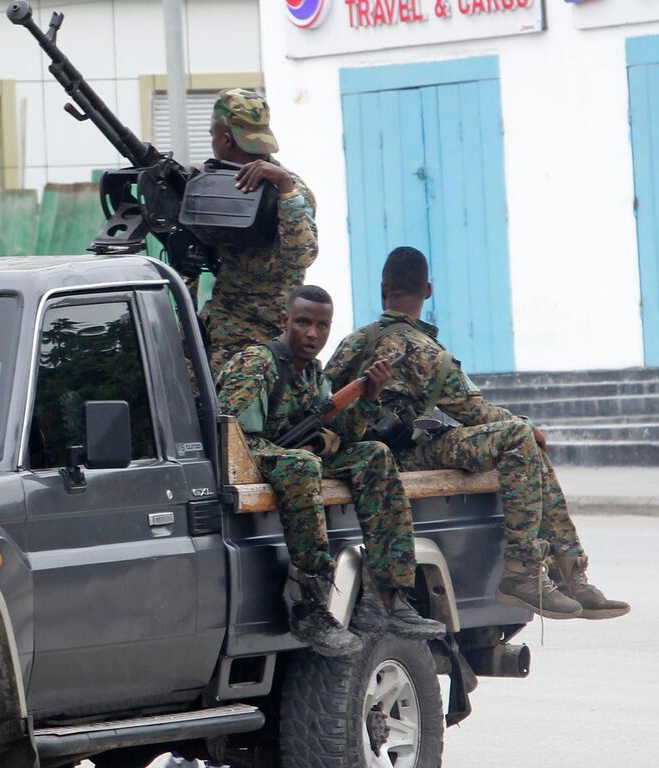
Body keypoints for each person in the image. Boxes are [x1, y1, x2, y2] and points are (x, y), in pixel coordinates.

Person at [324, 247, 629, 621]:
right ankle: (533, 572)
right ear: (429, 291)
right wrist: (526, 426)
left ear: (383, 288)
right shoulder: (423, 350)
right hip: (399, 458)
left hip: (356, 454)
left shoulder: (353, 341)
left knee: (520, 436)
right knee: (519, 437)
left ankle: (568, 573)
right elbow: (475, 412)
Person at [217, 285, 445, 657]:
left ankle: (389, 596)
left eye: (322, 326)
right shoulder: (257, 363)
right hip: (257, 459)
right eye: (303, 322)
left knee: (374, 454)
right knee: (301, 464)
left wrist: (367, 399)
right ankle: (310, 602)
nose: (313, 334)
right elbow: (232, 436)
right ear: (284, 321)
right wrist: (297, 451)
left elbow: (341, 434)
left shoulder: (314, 375)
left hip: (290, 459)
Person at [198, 89, 319, 371]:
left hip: (265, 347)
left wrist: (285, 189)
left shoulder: (290, 189)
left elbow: (302, 255)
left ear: (225, 138)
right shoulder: (218, 184)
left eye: (212, 134)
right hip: (219, 334)